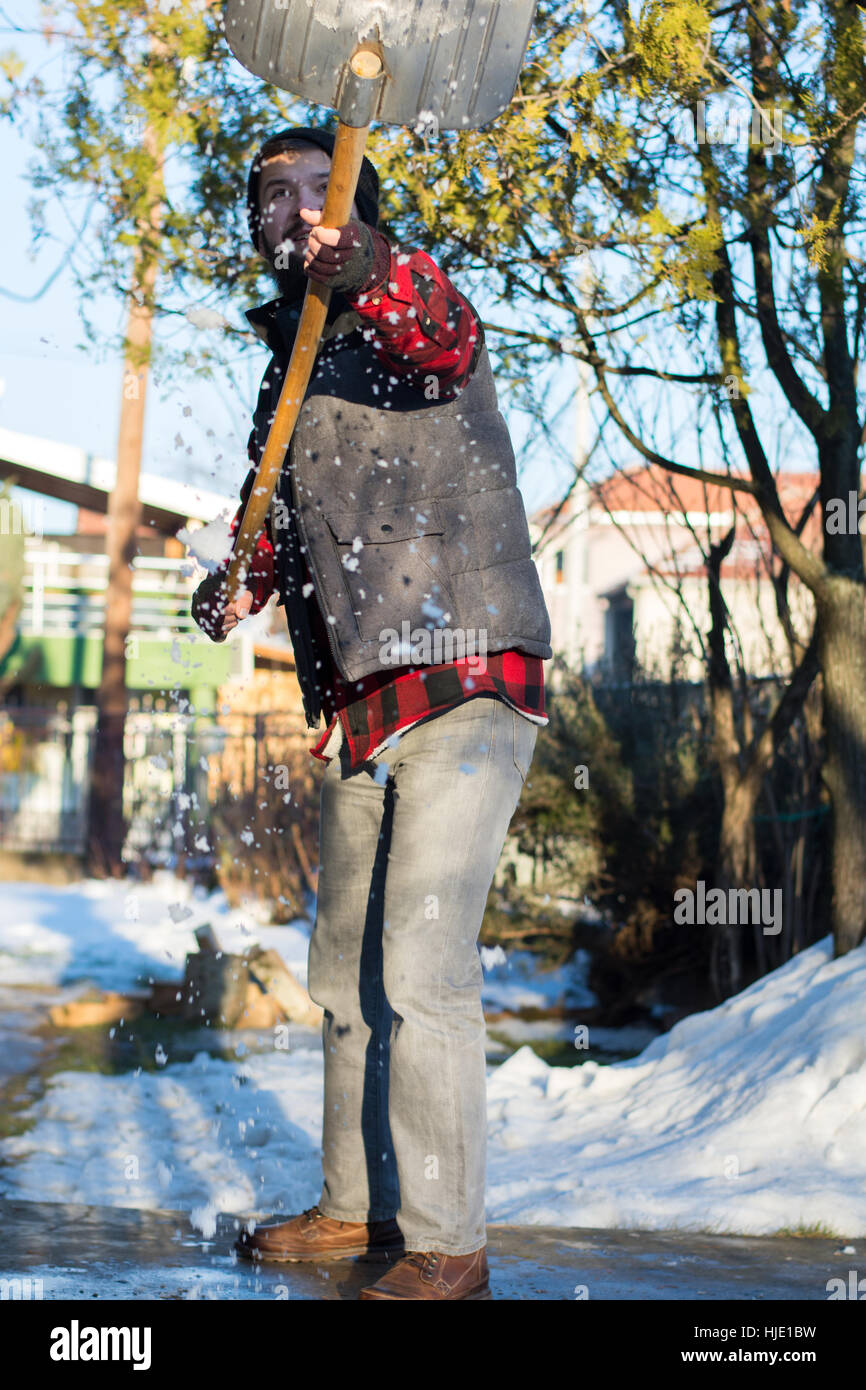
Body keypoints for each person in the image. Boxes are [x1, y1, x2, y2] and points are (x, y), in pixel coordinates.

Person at [192, 126, 552, 1300]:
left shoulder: (412, 311)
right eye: (272, 196)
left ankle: (448, 1242)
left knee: (422, 961)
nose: (293, 210)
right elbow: (276, 537)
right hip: (358, 706)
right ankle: (357, 1212)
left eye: (317, 190)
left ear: (357, 212)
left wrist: (370, 266)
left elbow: (439, 332)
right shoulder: (284, 372)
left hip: (462, 682)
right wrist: (235, 578)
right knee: (343, 973)